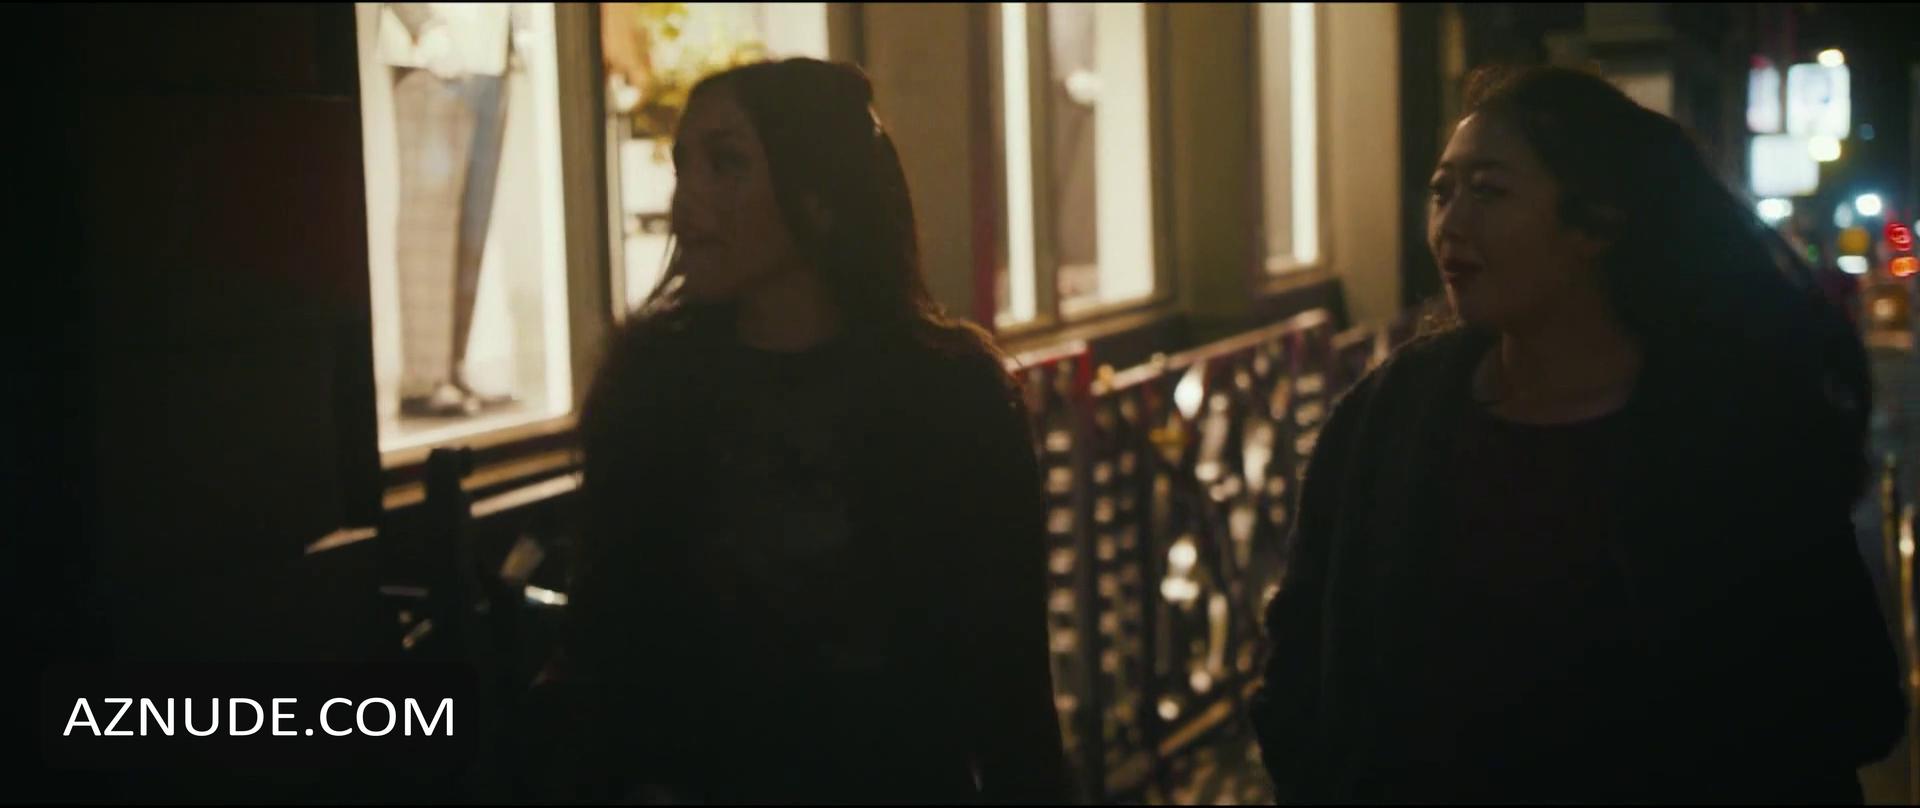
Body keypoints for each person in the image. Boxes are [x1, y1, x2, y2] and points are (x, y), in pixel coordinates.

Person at [1252, 65, 1905, 803]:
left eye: (1488, 191)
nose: (1450, 225)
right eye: (1442, 192)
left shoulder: (1727, 429)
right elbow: (1303, 645)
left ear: (1597, 222)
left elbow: (1837, 699)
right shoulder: (1395, 413)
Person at [540, 58, 1069, 804]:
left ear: (819, 197)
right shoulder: (653, 388)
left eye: (726, 164)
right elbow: (605, 646)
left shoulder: (950, 395)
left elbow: (1009, 680)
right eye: (683, 166)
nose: (686, 200)